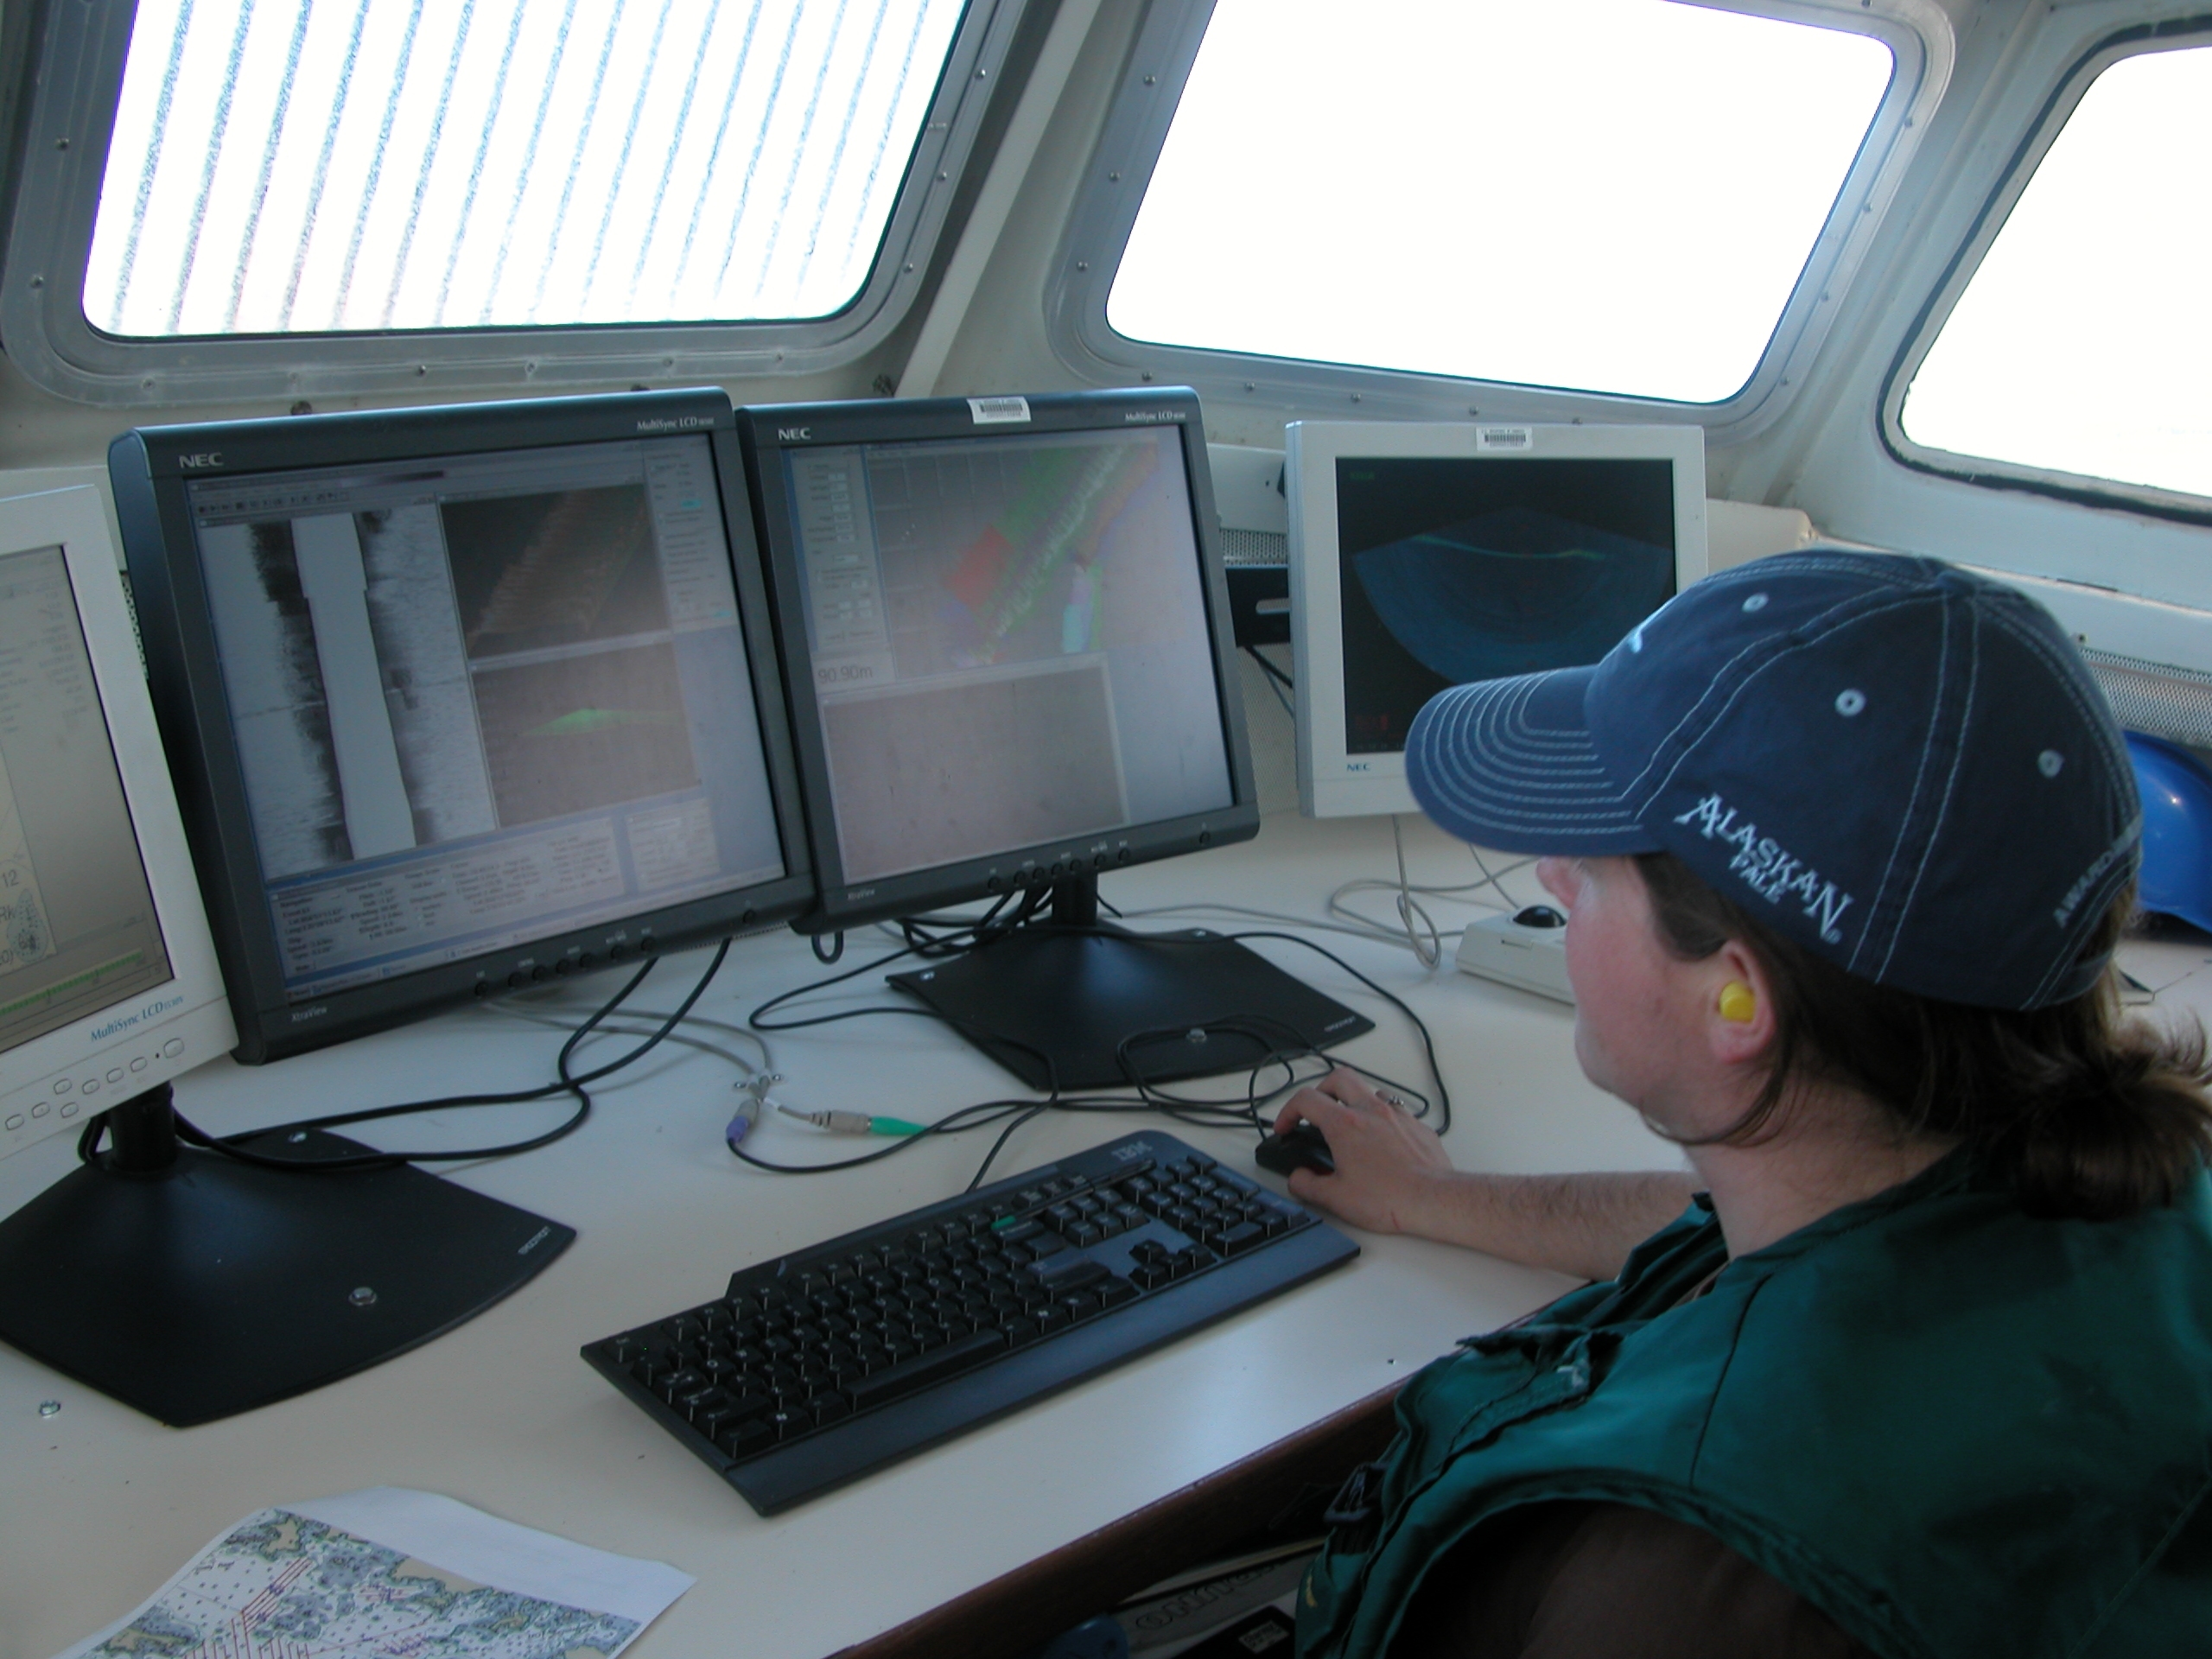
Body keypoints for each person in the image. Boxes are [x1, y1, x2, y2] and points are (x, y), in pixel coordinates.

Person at [1278, 550, 2212, 1659]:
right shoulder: (2100, 1191)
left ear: (1738, 1001)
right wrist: (1439, 1197)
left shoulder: (1678, 1589)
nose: (1552, 878)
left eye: (1599, 859)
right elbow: (1727, 1231)